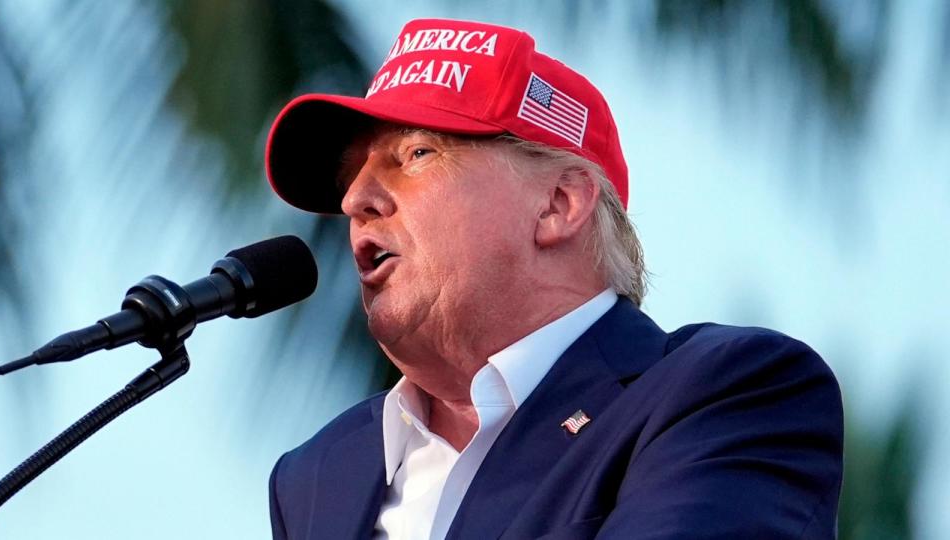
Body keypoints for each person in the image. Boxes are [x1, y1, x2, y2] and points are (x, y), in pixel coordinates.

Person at [263, 18, 843, 540]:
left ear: (559, 204)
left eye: (416, 154)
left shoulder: (727, 393)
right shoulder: (316, 477)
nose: (355, 199)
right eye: (350, 178)